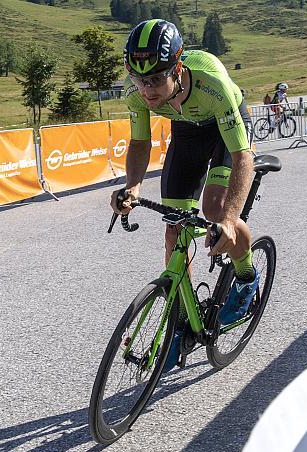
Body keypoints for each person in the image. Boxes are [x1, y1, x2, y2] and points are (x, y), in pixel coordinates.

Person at [111, 19, 258, 372]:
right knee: (174, 229)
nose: (146, 90)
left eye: (156, 79)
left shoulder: (212, 84)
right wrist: (133, 186)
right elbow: (140, 142)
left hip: (225, 130)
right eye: (139, 79)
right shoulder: (136, 95)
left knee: (216, 209)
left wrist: (225, 219)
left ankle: (245, 278)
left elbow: (242, 157)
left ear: (177, 69)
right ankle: (180, 322)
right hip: (187, 134)